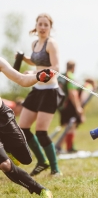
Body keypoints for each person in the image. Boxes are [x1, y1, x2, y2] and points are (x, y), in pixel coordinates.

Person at [0, 56, 54, 198]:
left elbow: (21, 80)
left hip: (2, 116)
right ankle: (40, 190)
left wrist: (38, 76)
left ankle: (7, 148)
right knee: (5, 165)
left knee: (25, 159)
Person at [18, 13, 64, 177]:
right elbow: (36, 61)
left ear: (50, 28)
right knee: (22, 128)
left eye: (46, 25)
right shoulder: (35, 43)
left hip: (50, 92)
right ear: (36, 26)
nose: (43, 27)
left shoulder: (52, 44)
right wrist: (25, 60)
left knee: (41, 132)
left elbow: (56, 67)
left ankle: (55, 169)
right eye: (40, 24)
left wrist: (38, 73)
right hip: (36, 90)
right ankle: (41, 162)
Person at [57, 61, 96, 153]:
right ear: (74, 67)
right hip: (68, 105)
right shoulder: (70, 76)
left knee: (69, 126)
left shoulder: (60, 76)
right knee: (71, 126)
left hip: (60, 105)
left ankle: (64, 147)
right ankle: (67, 147)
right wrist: (78, 107)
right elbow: (73, 93)